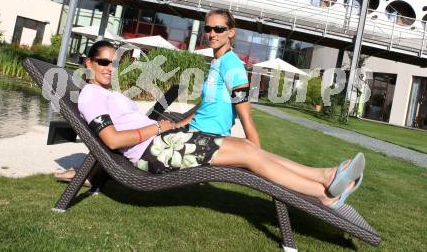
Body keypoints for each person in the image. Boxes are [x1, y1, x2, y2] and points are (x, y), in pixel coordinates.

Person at [65, 40, 365, 209]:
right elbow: (113, 141)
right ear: (89, 63)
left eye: (114, 62)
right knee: (248, 156)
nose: (109, 68)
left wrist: (174, 124)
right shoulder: (91, 94)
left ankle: (325, 176)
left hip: (165, 143)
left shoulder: (106, 93)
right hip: (157, 151)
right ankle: (323, 194)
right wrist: (159, 129)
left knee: (247, 147)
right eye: (103, 62)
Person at [179, 9, 261, 147]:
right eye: (208, 28)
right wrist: (180, 124)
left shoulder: (231, 65)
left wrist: (257, 154)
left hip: (206, 140)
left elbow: (246, 116)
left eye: (218, 29)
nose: (212, 34)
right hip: (195, 131)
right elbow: (207, 105)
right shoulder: (217, 62)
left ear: (231, 32)